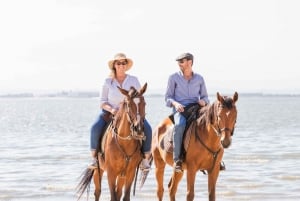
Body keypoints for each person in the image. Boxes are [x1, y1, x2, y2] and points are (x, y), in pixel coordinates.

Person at [89, 53, 152, 171]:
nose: (121, 65)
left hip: (131, 113)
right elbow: (102, 102)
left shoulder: (134, 80)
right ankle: (94, 158)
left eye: (124, 63)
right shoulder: (108, 81)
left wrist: (137, 113)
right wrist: (112, 109)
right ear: (114, 65)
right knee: (94, 127)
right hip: (110, 113)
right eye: (119, 63)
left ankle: (145, 159)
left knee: (147, 128)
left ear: (126, 65)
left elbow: (139, 98)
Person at [165, 52, 209, 173]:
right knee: (179, 126)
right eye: (178, 62)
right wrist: (176, 104)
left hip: (197, 108)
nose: (179, 64)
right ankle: (177, 160)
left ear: (190, 62)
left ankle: (215, 158)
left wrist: (203, 102)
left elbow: (206, 97)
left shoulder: (199, 79)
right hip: (181, 109)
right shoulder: (173, 78)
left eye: (182, 61)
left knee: (213, 123)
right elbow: (168, 98)